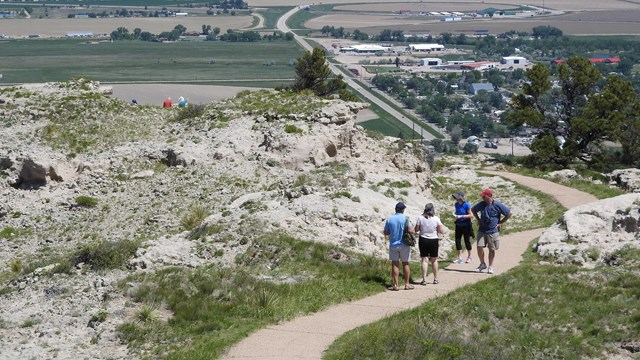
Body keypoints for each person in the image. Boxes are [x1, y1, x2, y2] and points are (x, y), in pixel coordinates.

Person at [471, 189, 511, 274]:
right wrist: (478, 219)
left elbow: (509, 213)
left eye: (484, 197)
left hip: (493, 231)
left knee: (491, 248)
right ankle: (482, 264)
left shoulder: (497, 205)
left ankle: (490, 266)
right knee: (479, 247)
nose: (483, 198)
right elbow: (473, 210)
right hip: (482, 230)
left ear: (490, 196)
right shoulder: (482, 204)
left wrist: (501, 223)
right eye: (482, 197)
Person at [383, 202, 415, 291]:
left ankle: (395, 285)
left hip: (393, 244)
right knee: (405, 263)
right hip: (404, 244)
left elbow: (386, 232)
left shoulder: (390, 219)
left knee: (395, 264)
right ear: (403, 210)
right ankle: (407, 284)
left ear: (395, 209)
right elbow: (410, 230)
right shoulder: (406, 219)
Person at [414, 203, 444, 284]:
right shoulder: (436, 218)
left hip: (423, 239)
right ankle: (435, 279)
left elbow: (416, 229)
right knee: (434, 260)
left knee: (424, 259)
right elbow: (441, 230)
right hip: (433, 239)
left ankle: (424, 279)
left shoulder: (420, 218)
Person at [452, 190, 473, 264]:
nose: (456, 199)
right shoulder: (456, 204)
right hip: (458, 224)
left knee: (467, 240)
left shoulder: (466, 205)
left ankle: (469, 256)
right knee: (457, 240)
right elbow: (457, 212)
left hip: (466, 225)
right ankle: (459, 257)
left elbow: (471, 215)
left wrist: (462, 216)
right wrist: (455, 215)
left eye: (457, 197)